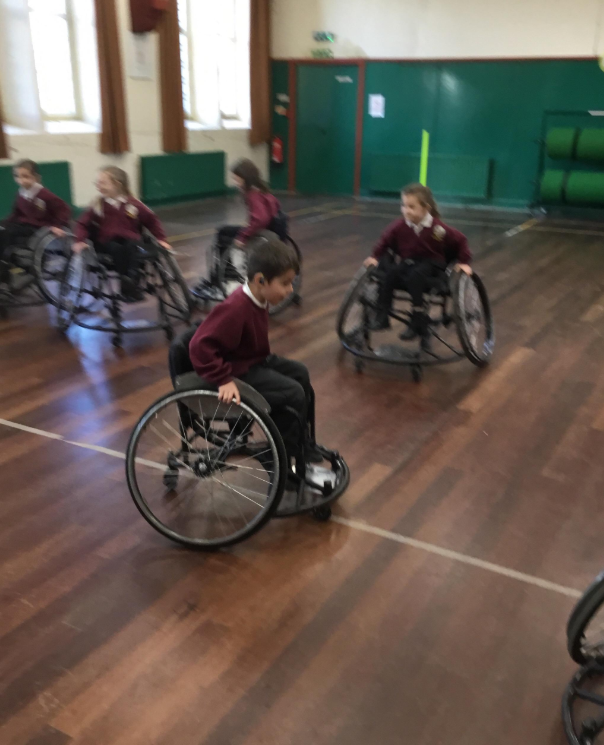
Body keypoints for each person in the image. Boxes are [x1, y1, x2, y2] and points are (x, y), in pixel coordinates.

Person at [189, 234, 320, 467]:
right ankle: (281, 457)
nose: (290, 289)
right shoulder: (235, 307)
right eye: (285, 283)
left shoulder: (259, 299)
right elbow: (199, 345)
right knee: (293, 393)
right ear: (260, 280)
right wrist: (223, 379)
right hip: (236, 370)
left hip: (253, 360)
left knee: (301, 373)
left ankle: (302, 442)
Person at [364, 183, 473, 345]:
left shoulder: (437, 229)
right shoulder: (400, 226)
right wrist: (375, 256)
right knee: (391, 274)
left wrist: (464, 262)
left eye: (411, 207)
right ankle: (383, 315)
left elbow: (460, 240)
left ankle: (417, 317)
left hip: (433, 265)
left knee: (416, 275)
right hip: (410, 262)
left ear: (425, 208)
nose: (406, 210)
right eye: (404, 205)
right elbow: (385, 240)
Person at [73, 166, 171, 302]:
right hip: (106, 242)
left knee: (133, 246)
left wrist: (161, 239)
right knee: (117, 249)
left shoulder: (134, 204)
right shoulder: (98, 204)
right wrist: (80, 240)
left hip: (130, 241)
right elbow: (82, 223)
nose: (98, 186)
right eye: (98, 183)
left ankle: (131, 281)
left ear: (117, 184)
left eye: (102, 182)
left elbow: (152, 220)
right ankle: (127, 285)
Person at [193, 158, 285, 296]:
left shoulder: (253, 194)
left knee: (223, 235)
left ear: (246, 178)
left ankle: (223, 275)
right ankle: (221, 274)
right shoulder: (261, 189)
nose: (236, 182)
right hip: (274, 231)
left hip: (264, 234)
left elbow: (261, 219)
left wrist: (243, 237)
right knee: (224, 230)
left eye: (237, 179)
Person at [0, 159, 71, 286]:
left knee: (8, 234)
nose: (21, 180)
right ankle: (5, 267)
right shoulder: (21, 193)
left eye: (25, 176)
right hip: (24, 225)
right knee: (3, 231)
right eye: (17, 176)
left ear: (35, 177)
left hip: (39, 228)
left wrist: (57, 225)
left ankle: (5, 271)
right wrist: (3, 223)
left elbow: (64, 209)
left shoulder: (44, 194)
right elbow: (15, 214)